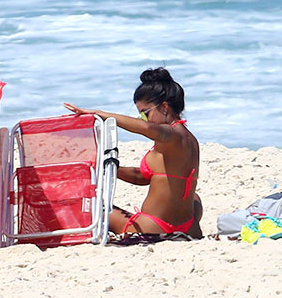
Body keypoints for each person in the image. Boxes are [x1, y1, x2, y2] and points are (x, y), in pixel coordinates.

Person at [64, 67, 202, 238]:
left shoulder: (171, 135)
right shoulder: (189, 139)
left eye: (145, 114)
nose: (143, 119)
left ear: (164, 107)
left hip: (153, 227)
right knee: (194, 197)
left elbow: (145, 128)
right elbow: (144, 178)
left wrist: (98, 114)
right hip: (188, 227)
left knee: (93, 206)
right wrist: (113, 168)